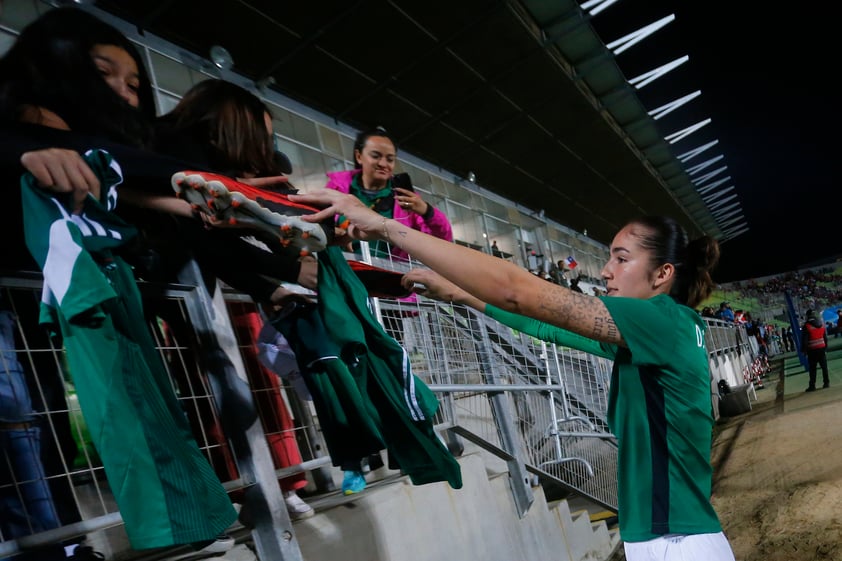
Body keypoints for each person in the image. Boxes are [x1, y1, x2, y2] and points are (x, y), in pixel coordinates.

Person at [287, 189, 736, 561]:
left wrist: (385, 225)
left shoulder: (660, 321)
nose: (605, 270)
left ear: (662, 274)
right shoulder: (664, 331)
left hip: (675, 543)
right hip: (672, 537)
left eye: (621, 258)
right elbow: (543, 323)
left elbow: (518, 292)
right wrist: (462, 295)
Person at [0, 7, 238, 552]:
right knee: (20, 418)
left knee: (48, 419)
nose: (124, 93)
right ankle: (54, 547)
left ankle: (64, 544)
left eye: (133, 82)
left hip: (52, 295)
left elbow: (121, 175)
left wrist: (196, 203)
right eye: (104, 74)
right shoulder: (31, 133)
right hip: (50, 294)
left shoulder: (94, 154)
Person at [323, 127, 453, 493]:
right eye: (376, 155)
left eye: (390, 158)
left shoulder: (404, 201)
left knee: (395, 371)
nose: (383, 163)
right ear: (358, 157)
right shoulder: (335, 191)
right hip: (347, 293)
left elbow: (443, 239)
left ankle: (403, 448)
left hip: (390, 299)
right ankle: (363, 458)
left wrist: (425, 210)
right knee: (352, 372)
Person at [800, 309, 829, 391]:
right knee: (824, 367)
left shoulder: (807, 326)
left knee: (812, 369)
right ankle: (826, 383)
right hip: (822, 348)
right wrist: (825, 347)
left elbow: (805, 340)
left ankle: (812, 385)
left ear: (807, 316)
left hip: (812, 350)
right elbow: (825, 337)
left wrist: (804, 350)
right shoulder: (821, 323)